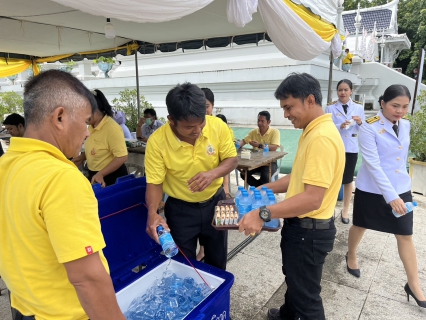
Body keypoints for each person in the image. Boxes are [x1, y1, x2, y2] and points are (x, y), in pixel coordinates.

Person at [0, 70, 125, 319]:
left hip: (24, 305)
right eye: (86, 121)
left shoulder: (7, 164)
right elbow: (87, 278)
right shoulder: (61, 178)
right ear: (59, 117)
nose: (88, 132)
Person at [238, 73, 345, 320]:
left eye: (288, 107)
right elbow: (298, 177)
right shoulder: (313, 130)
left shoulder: (321, 137)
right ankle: (287, 314)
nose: (286, 114)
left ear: (309, 100)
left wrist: (262, 213)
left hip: (309, 232)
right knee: (295, 278)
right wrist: (264, 188)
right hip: (306, 229)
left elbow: (312, 199)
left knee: (307, 298)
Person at [347, 85, 426, 307]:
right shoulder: (369, 127)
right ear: (383, 103)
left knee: (405, 235)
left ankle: (414, 284)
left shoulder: (406, 125)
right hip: (372, 189)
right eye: (395, 105)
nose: (400, 111)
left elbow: (400, 158)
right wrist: (391, 196)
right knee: (360, 225)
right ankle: (351, 254)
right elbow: (372, 164)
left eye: (404, 106)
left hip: (401, 187)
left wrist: (399, 192)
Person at [145, 82, 238, 270]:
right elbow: (155, 183)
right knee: (184, 265)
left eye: (201, 122)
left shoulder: (217, 126)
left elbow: (232, 160)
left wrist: (212, 174)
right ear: (171, 119)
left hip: (216, 202)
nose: (197, 130)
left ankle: (217, 297)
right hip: (181, 211)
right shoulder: (157, 142)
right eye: (189, 127)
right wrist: (152, 213)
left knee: (217, 260)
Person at [325, 79, 365, 224]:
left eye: (345, 90)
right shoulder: (330, 108)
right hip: (335, 147)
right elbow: (326, 127)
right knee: (332, 178)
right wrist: (339, 125)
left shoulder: (359, 108)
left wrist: (360, 122)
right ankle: (329, 209)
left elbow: (365, 129)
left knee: (348, 180)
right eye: (340, 90)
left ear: (351, 91)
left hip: (351, 148)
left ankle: (346, 210)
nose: (342, 93)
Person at [73, 89, 128, 187]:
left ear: (94, 109)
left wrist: (101, 173)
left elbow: (122, 157)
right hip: (95, 174)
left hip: (111, 177)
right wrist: (82, 157)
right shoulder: (91, 126)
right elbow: (95, 147)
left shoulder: (112, 129)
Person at [238, 111, 281, 187]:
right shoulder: (254, 132)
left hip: (270, 162)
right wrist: (236, 145)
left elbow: (274, 147)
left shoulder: (275, 132)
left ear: (269, 122)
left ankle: (258, 190)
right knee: (243, 173)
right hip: (256, 162)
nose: (259, 123)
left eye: (262, 121)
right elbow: (244, 141)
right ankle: (259, 189)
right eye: (258, 121)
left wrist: (259, 145)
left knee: (265, 177)